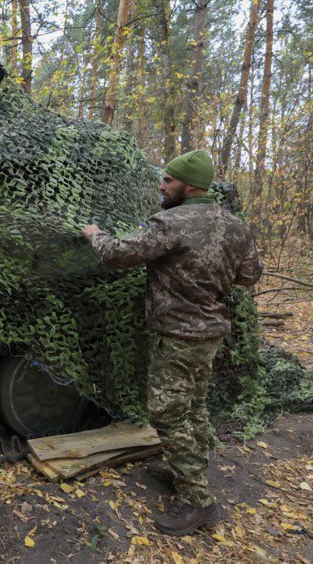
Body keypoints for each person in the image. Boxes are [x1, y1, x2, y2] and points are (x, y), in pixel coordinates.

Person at [80, 150, 262, 536]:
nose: (161, 186)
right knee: (193, 407)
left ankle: (197, 502)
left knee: (166, 413)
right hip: (210, 333)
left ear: (189, 185)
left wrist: (94, 234)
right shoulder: (236, 225)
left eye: (168, 180)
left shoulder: (170, 222)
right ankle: (187, 474)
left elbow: (118, 254)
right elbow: (249, 276)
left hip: (179, 335)